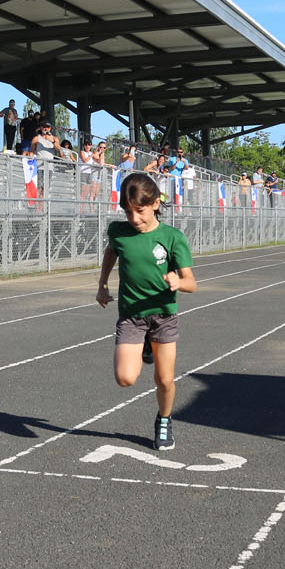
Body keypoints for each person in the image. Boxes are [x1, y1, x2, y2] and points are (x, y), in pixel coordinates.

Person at [95, 172, 197, 452]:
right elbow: (111, 252)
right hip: (131, 315)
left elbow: (192, 282)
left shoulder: (172, 237)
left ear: (154, 204)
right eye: (128, 212)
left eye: (139, 211)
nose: (134, 219)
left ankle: (164, 419)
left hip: (163, 316)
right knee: (125, 378)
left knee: (164, 379)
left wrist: (179, 281)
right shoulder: (119, 232)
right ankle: (144, 348)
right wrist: (102, 284)